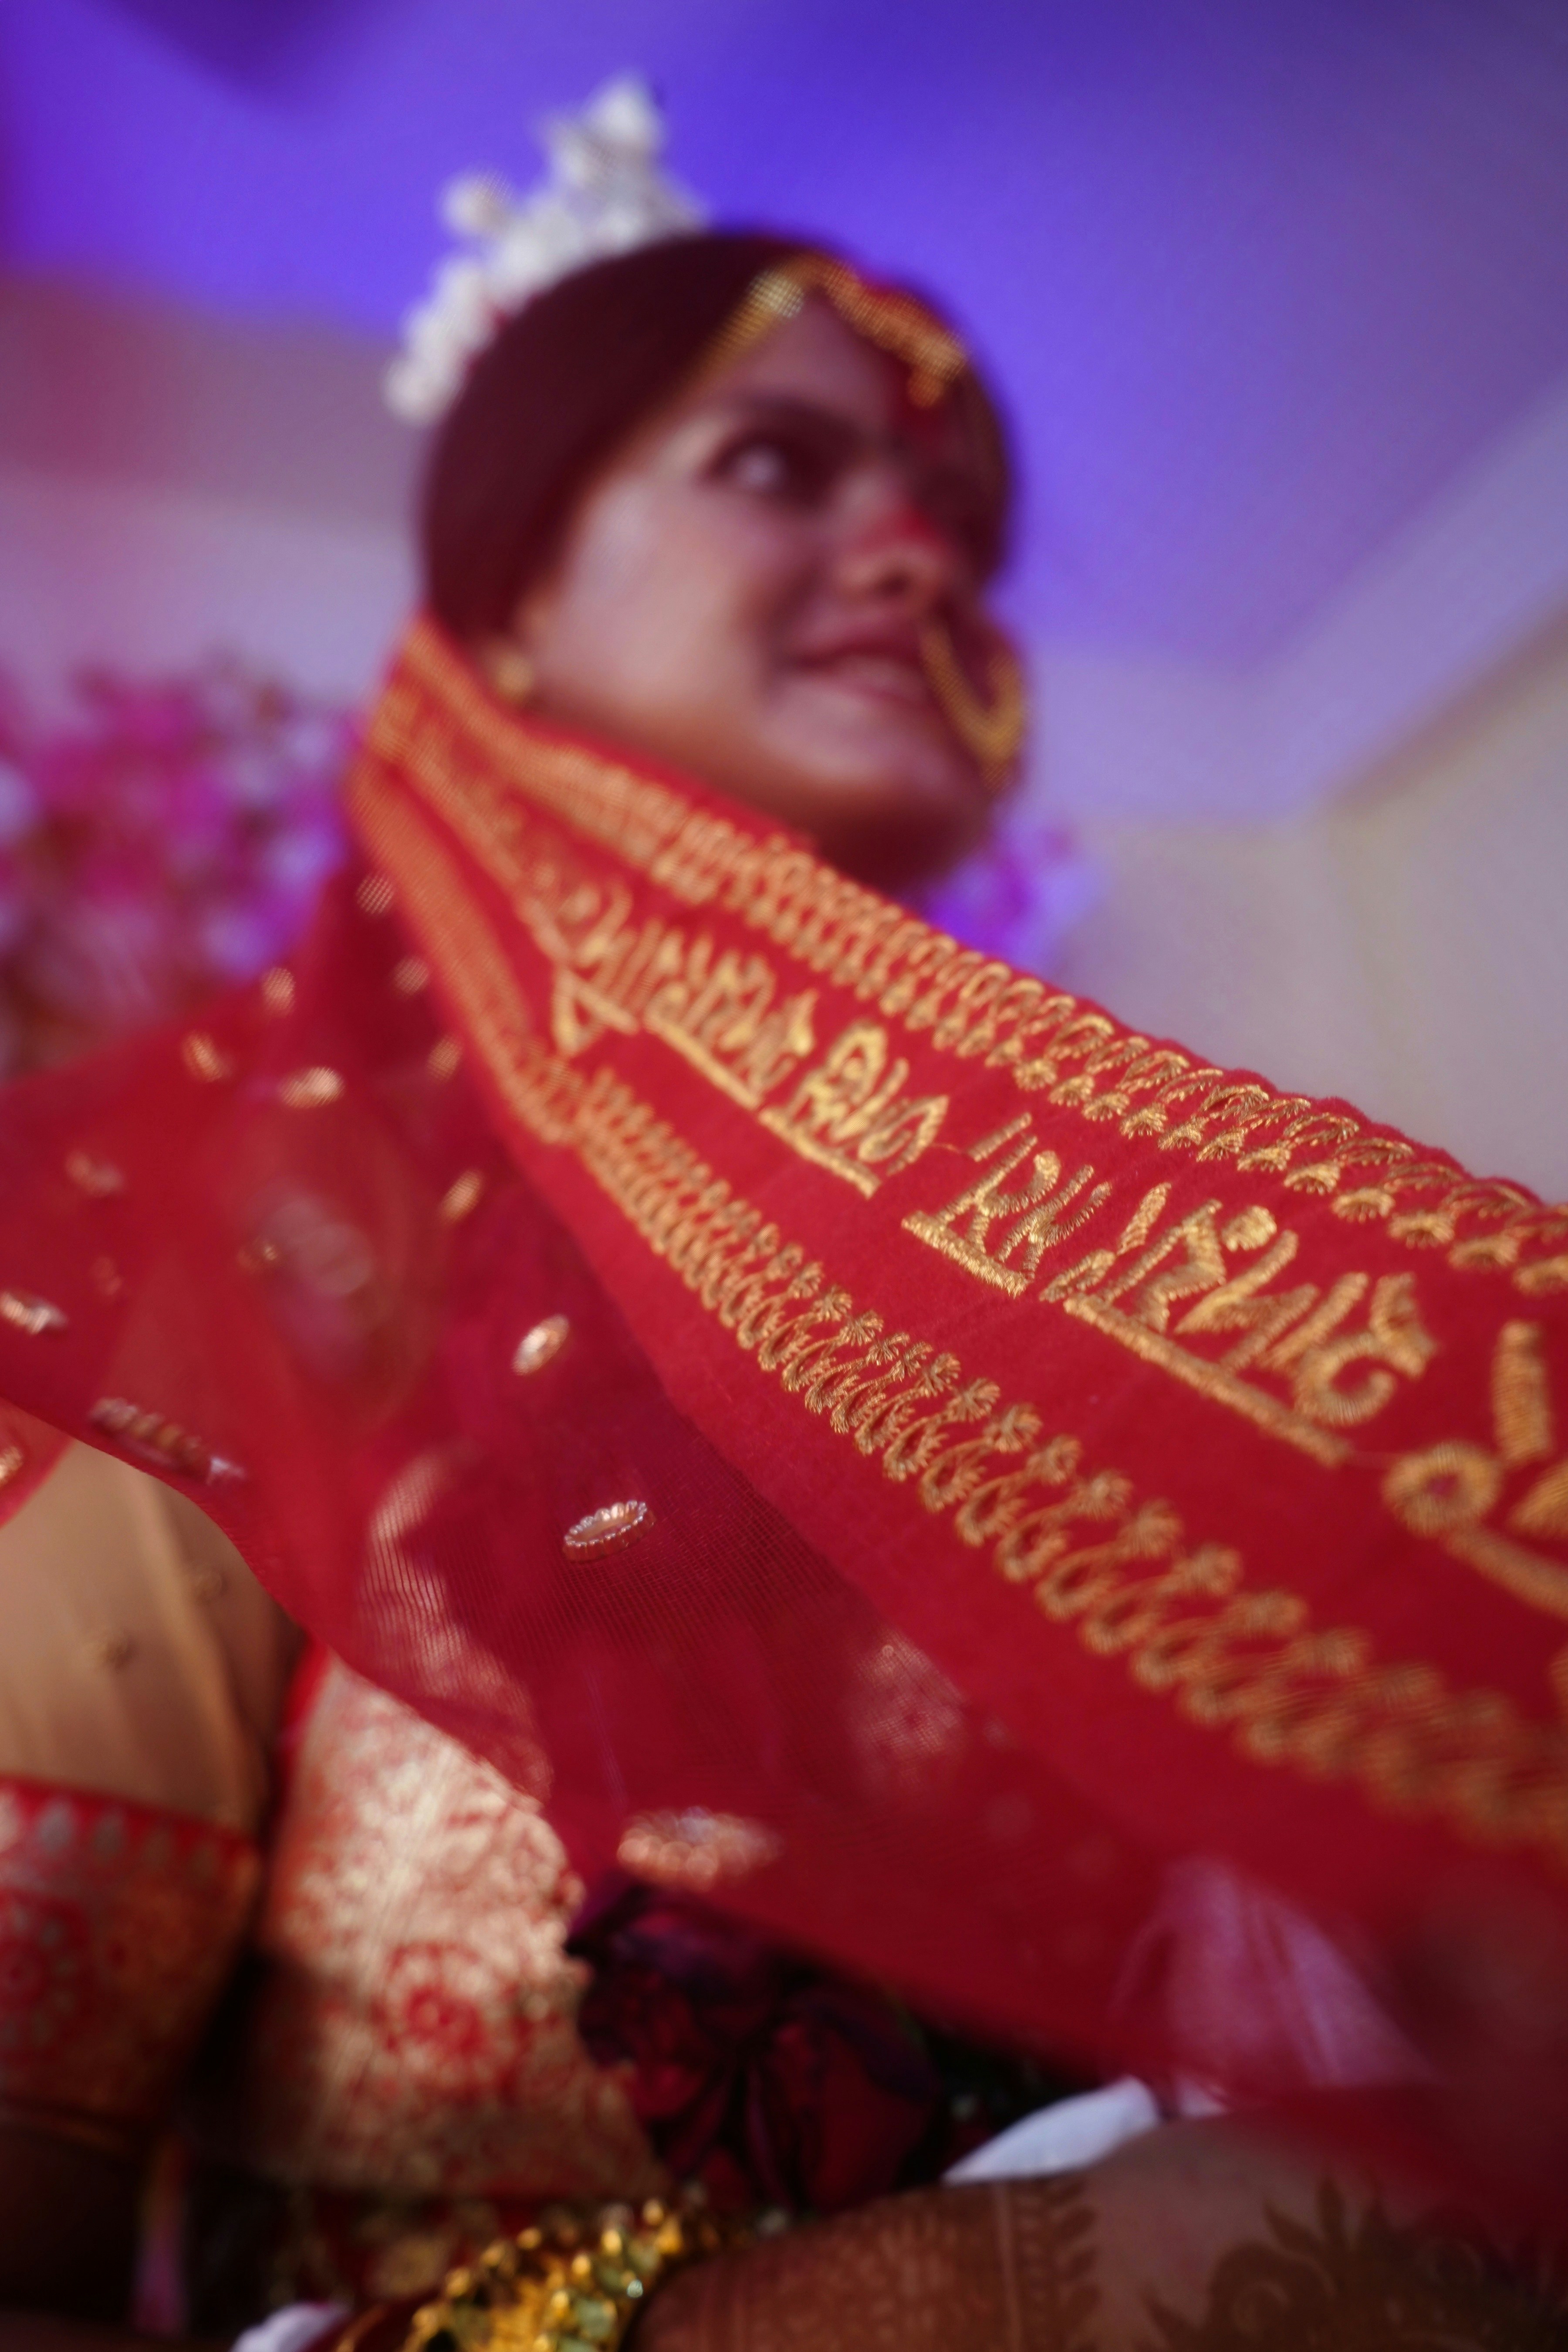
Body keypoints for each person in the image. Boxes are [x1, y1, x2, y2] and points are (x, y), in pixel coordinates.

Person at [0, 93, 1566, 2349]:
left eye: (950, 514)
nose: (922, 556)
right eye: (776, 464)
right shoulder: (206, 1250)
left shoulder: (1180, 1266)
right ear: (509, 602)